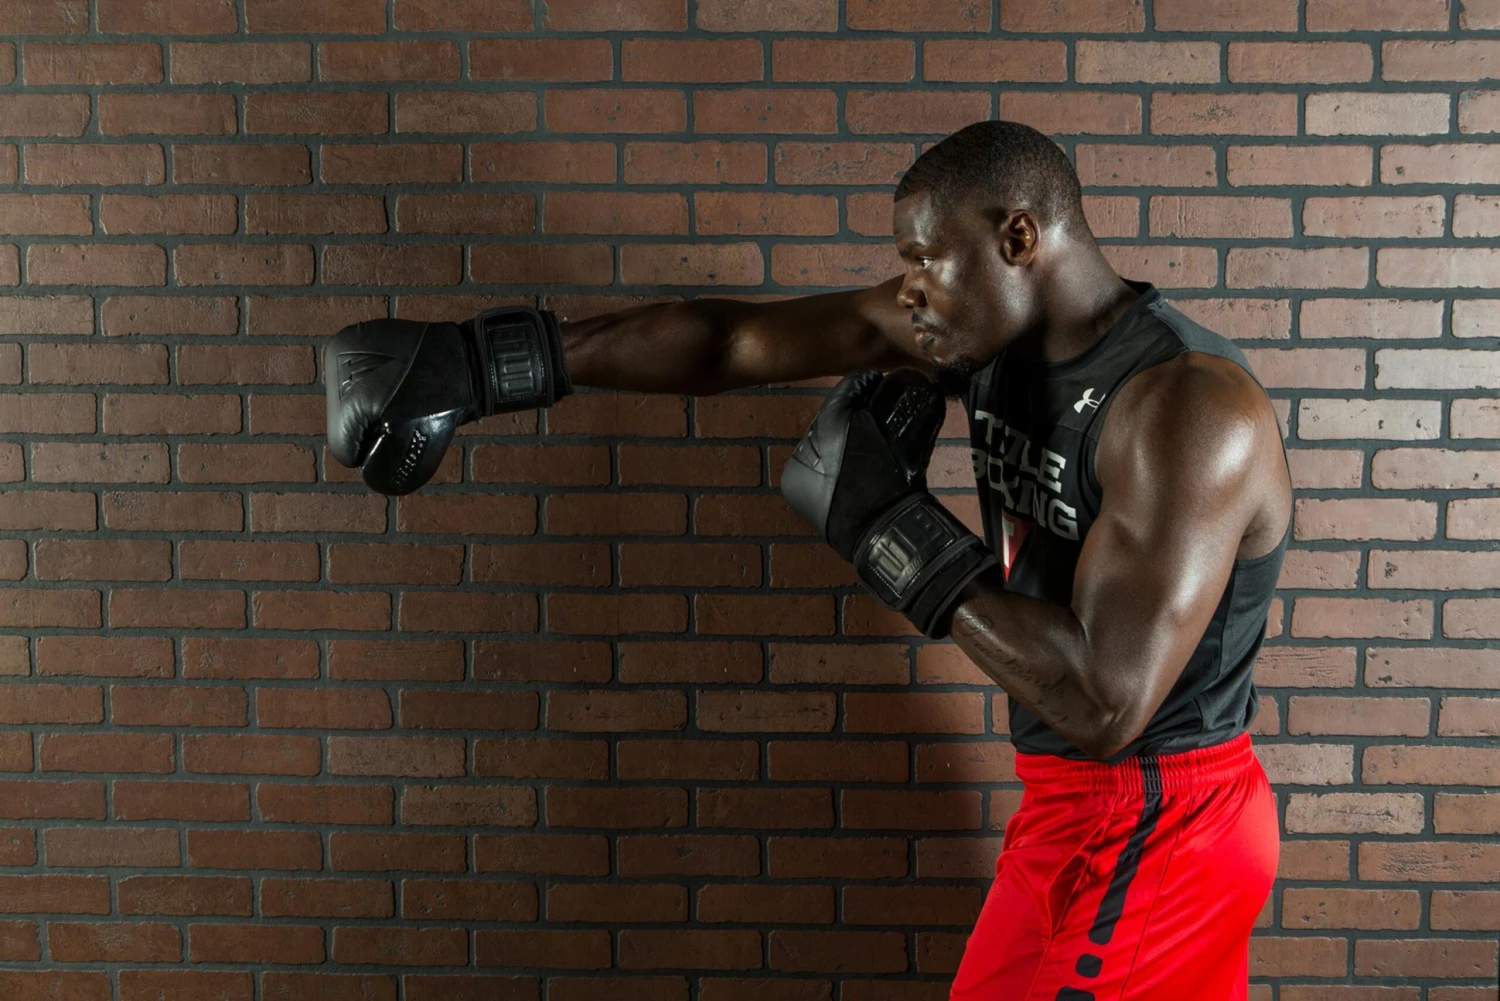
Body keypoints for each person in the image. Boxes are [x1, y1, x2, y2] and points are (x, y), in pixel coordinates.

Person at [325, 119, 1290, 1000]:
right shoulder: (985, 332)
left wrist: (890, 528)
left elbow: (1106, 702)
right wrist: (486, 364)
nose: (907, 287)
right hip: (1063, 807)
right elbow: (737, 340)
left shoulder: (1189, 408)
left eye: (924, 259)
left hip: (1168, 819)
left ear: (1019, 239)